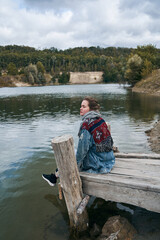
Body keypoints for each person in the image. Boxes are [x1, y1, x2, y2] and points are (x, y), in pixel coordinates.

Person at [42, 96, 115, 186]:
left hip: (99, 166)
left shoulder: (86, 125)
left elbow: (81, 152)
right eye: (81, 106)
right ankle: (55, 176)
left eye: (84, 106)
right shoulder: (100, 119)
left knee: (70, 155)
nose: (80, 108)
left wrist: (72, 165)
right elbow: (110, 142)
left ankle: (55, 176)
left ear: (91, 109)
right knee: (74, 153)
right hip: (109, 160)